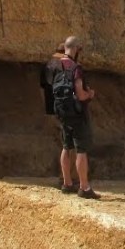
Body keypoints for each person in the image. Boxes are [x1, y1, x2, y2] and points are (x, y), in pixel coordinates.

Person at [52, 36, 100, 199]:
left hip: (62, 112)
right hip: (77, 113)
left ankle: (66, 184)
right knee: (81, 149)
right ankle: (84, 187)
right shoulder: (76, 68)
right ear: (76, 48)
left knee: (66, 146)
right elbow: (80, 93)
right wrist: (90, 94)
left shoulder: (55, 65)